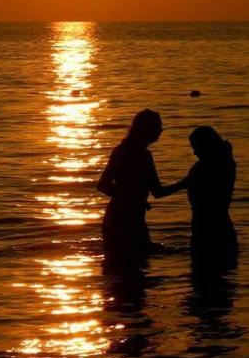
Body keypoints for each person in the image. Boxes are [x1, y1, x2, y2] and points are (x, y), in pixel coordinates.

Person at [97, 109, 187, 264]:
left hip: (119, 217)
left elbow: (103, 185)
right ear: (146, 128)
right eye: (158, 126)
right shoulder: (141, 155)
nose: (161, 130)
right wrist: (184, 183)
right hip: (127, 220)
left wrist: (131, 199)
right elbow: (157, 192)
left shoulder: (121, 150)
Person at [186, 126, 238, 267]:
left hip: (206, 232)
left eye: (196, 147)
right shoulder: (226, 164)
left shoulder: (204, 169)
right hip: (222, 230)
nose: (194, 152)